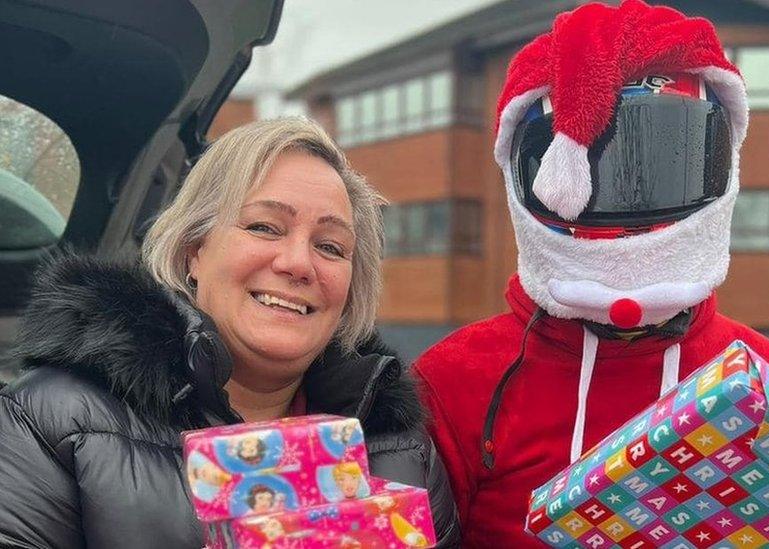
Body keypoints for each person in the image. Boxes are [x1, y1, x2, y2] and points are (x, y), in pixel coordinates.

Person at [412, 2, 769, 546]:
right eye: (594, 171)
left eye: (662, 165)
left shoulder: (765, 379)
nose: (626, 201)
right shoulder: (456, 378)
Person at [0, 118, 460, 548]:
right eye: (264, 227)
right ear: (194, 250)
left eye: (330, 246)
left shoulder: (401, 448)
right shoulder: (51, 420)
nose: (298, 263)